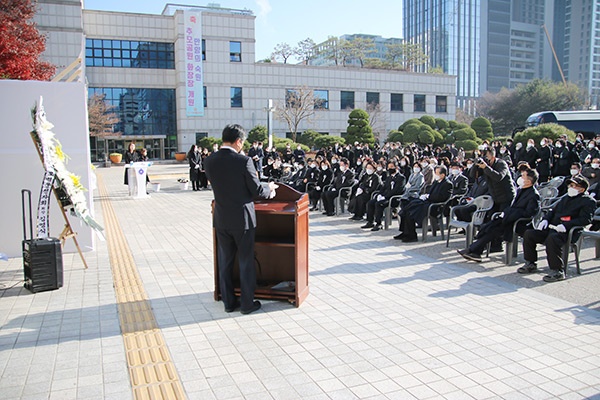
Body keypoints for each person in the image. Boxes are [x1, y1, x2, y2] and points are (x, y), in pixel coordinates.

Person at [203, 124, 277, 314]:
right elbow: (257, 191)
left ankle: (229, 303)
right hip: (242, 220)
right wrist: (270, 188)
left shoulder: (209, 160)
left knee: (225, 262)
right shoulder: (244, 161)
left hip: (221, 218)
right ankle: (247, 304)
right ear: (238, 141)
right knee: (245, 262)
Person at [517, 176, 596, 282]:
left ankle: (557, 271)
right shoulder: (565, 198)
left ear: (581, 189)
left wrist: (566, 225)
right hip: (552, 228)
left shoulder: (588, 201)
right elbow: (552, 211)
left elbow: (585, 219)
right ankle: (530, 263)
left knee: (553, 239)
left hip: (568, 231)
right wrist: (545, 220)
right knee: (529, 234)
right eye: (570, 185)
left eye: (574, 186)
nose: (570, 187)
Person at [458, 168, 541, 262]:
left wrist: (511, 214)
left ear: (529, 181)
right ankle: (475, 252)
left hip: (519, 223)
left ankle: (472, 250)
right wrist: (505, 213)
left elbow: (529, 213)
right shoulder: (521, 190)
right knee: (489, 226)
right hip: (509, 219)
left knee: (495, 229)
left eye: (523, 176)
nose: (520, 177)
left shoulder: (533, 195)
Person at [396, 165, 452, 242]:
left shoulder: (447, 184)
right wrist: (426, 196)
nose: (435, 175)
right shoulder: (436, 182)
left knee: (411, 212)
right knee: (407, 208)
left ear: (442, 175)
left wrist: (429, 197)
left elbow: (442, 198)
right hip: (428, 202)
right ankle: (405, 232)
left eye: (437, 173)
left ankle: (412, 235)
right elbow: (430, 192)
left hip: (435, 206)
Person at [361, 161, 406, 231]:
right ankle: (370, 221)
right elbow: (383, 188)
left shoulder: (401, 178)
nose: (390, 169)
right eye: (388, 167)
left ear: (396, 167)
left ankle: (378, 223)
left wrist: (385, 196)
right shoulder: (389, 178)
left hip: (394, 199)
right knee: (370, 203)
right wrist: (380, 194)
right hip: (385, 197)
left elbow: (397, 190)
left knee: (379, 204)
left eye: (391, 167)